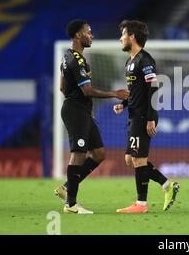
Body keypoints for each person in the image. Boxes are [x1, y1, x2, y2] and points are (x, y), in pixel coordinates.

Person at [55, 19, 130, 214]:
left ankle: (66, 188)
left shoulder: (67, 56)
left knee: (98, 154)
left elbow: (63, 86)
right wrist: (114, 93)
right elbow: (87, 90)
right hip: (76, 111)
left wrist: (83, 105)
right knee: (78, 154)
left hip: (81, 110)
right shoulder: (77, 60)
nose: (92, 35)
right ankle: (70, 204)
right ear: (78, 35)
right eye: (88, 32)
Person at [113, 20, 179, 214]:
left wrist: (150, 117)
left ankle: (141, 204)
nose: (121, 38)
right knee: (129, 159)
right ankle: (167, 184)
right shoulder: (129, 62)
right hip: (135, 115)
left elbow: (153, 87)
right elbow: (135, 91)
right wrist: (123, 104)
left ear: (132, 36)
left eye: (123, 34)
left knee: (139, 160)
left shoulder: (145, 60)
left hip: (143, 117)